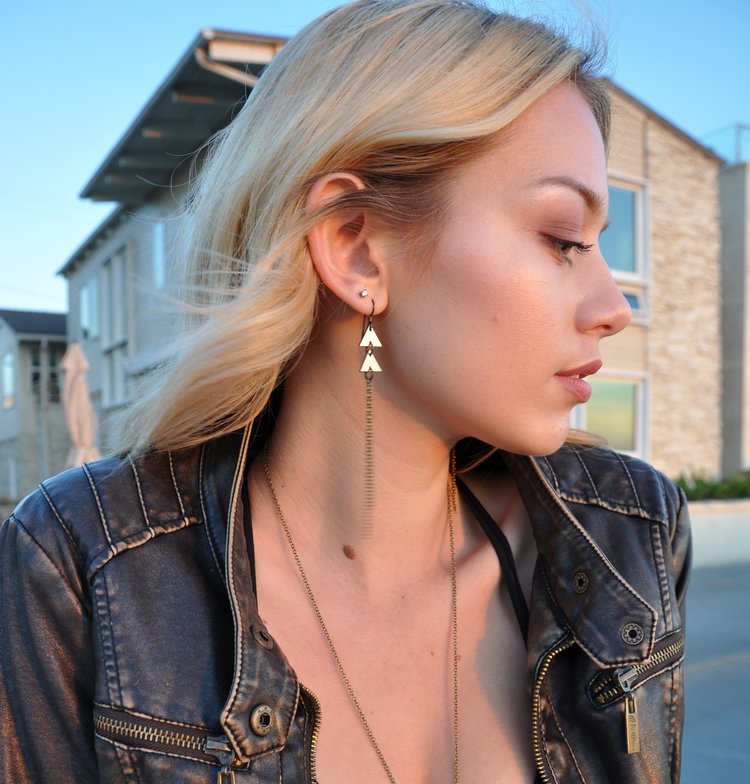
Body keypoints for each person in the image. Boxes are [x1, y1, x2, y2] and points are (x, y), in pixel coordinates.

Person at [0, 1, 690, 782]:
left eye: (601, 246)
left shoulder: (631, 537)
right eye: (563, 239)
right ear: (355, 248)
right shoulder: (89, 566)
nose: (614, 309)